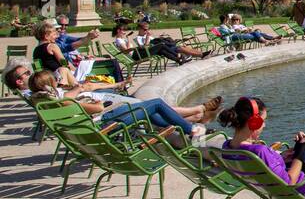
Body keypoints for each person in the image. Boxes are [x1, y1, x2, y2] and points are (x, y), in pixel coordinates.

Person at [23, 68, 220, 138]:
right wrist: (80, 94)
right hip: (108, 125)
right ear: (51, 84)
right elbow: (99, 108)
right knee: (156, 103)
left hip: (96, 127)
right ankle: (192, 129)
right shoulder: (66, 102)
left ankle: (193, 119)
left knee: (148, 109)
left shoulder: (49, 103)